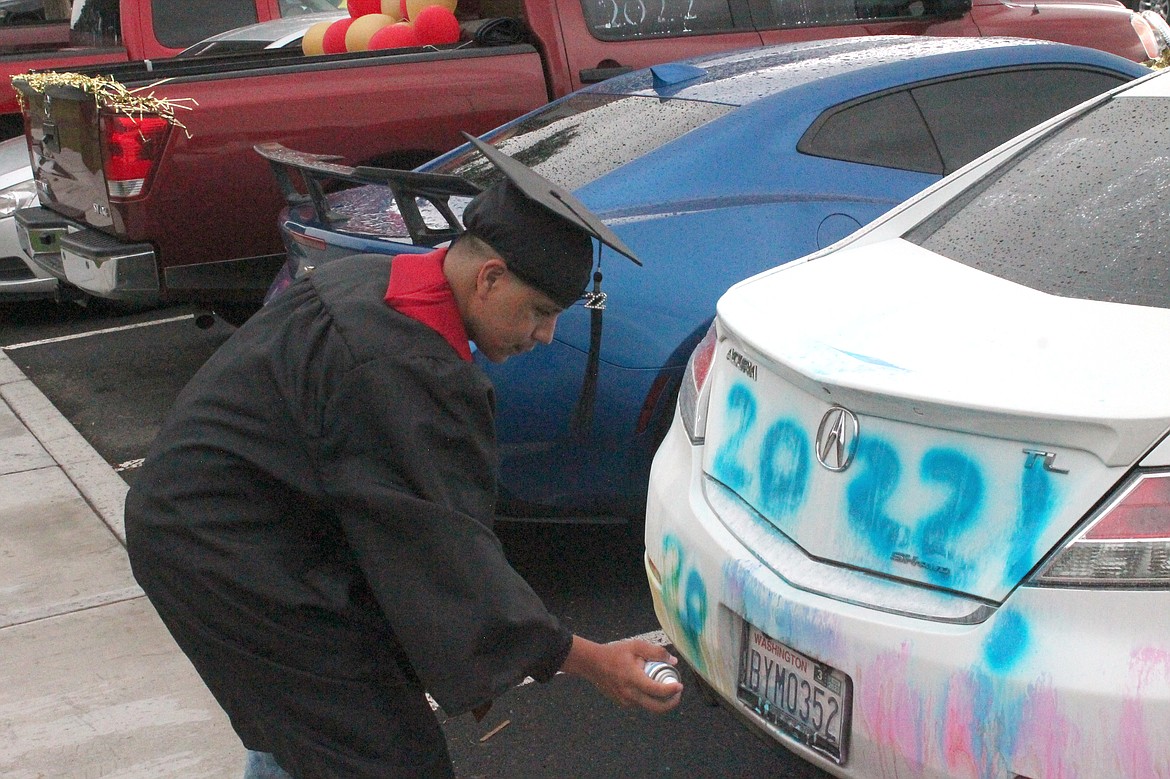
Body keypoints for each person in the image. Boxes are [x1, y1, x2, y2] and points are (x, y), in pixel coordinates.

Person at [123, 140, 682, 779]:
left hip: (235, 527)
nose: (545, 335)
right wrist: (588, 659)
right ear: (490, 277)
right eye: (540, 311)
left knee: (313, 729)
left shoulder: (371, 281)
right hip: (233, 557)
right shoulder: (402, 367)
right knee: (378, 754)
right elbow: (447, 555)